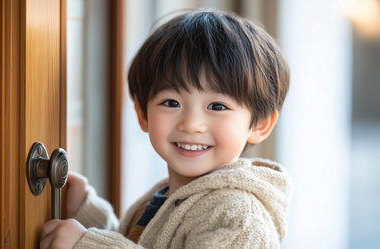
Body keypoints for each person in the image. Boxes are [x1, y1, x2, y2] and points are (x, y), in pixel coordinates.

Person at [39, 9, 292, 249]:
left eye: (217, 106)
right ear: (143, 114)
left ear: (260, 124)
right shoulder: (165, 196)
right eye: (171, 103)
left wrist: (87, 244)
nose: (191, 124)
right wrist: (87, 212)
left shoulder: (238, 216)